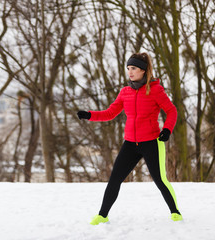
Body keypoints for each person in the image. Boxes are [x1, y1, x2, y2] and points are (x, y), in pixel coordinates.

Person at [77, 52, 183, 225]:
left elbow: (172, 110)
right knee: (115, 179)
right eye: (128, 68)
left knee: (160, 179)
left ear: (143, 70)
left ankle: (175, 211)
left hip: (151, 143)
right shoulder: (125, 92)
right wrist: (89, 115)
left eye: (133, 68)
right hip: (130, 144)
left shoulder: (155, 89)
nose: (130, 72)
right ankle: (102, 215)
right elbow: (110, 113)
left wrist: (167, 130)